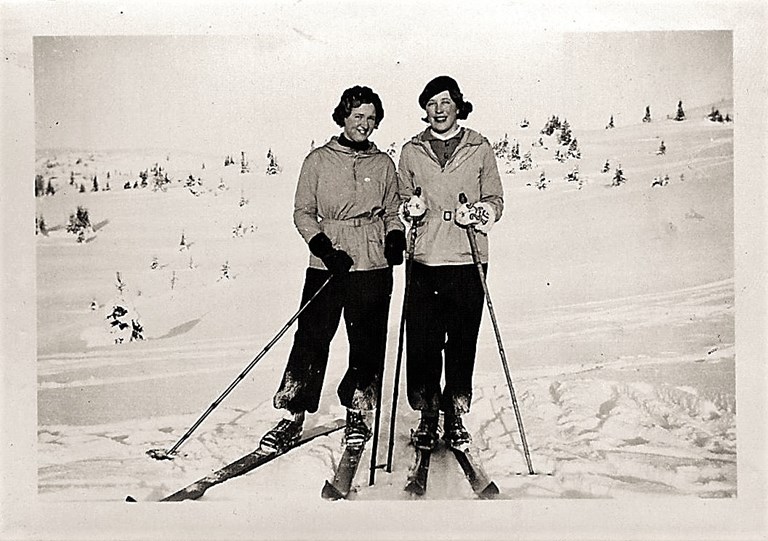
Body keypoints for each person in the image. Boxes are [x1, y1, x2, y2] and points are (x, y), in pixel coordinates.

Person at [258, 86, 406, 454]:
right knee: (311, 337)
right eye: (358, 117)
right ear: (343, 116)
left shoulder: (383, 164)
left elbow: (392, 211)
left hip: (372, 261)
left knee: (367, 340)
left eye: (371, 119)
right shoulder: (319, 161)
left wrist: (395, 236)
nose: (365, 125)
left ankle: (358, 408)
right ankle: (293, 413)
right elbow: (302, 212)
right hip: (329, 261)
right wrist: (322, 247)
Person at [397, 76, 503, 451]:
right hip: (424, 257)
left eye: (445, 102)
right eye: (431, 103)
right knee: (423, 342)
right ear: (424, 109)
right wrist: (410, 207)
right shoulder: (412, 150)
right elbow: (401, 196)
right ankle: (427, 414)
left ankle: (455, 412)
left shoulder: (479, 147)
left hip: (466, 256)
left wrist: (477, 211)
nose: (438, 109)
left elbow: (495, 199)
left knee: (461, 341)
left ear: (458, 106)